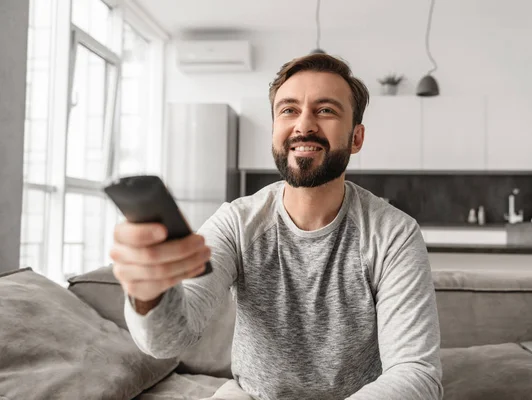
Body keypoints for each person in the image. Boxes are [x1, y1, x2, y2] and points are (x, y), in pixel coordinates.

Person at [110, 53, 443, 400]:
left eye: (325, 110)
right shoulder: (237, 223)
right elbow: (168, 341)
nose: (304, 125)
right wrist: (148, 294)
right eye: (288, 110)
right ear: (274, 131)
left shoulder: (394, 234)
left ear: (356, 138)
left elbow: (416, 373)